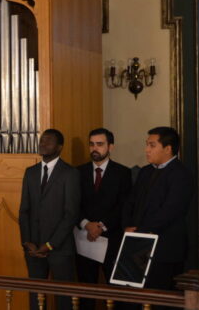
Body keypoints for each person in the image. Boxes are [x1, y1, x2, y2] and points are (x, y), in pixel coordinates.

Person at [123, 127, 194, 299]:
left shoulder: (181, 174)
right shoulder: (145, 171)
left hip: (166, 249)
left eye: (152, 145)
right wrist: (127, 225)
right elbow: (130, 202)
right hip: (139, 247)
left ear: (168, 148)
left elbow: (171, 211)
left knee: (161, 299)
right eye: (147, 145)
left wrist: (140, 230)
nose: (146, 150)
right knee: (138, 298)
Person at [19, 129, 80, 310]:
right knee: (36, 300)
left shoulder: (70, 173)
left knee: (64, 300)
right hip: (33, 248)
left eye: (48, 141)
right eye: (42, 140)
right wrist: (27, 242)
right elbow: (24, 211)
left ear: (59, 147)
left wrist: (50, 244)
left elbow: (71, 214)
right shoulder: (30, 172)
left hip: (59, 248)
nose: (43, 143)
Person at [75, 128, 132, 310]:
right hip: (84, 239)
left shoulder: (123, 173)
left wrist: (101, 226)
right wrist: (86, 224)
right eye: (91, 144)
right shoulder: (78, 172)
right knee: (86, 294)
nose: (95, 148)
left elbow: (123, 206)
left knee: (116, 293)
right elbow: (72, 204)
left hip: (111, 239)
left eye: (100, 144)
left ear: (110, 147)